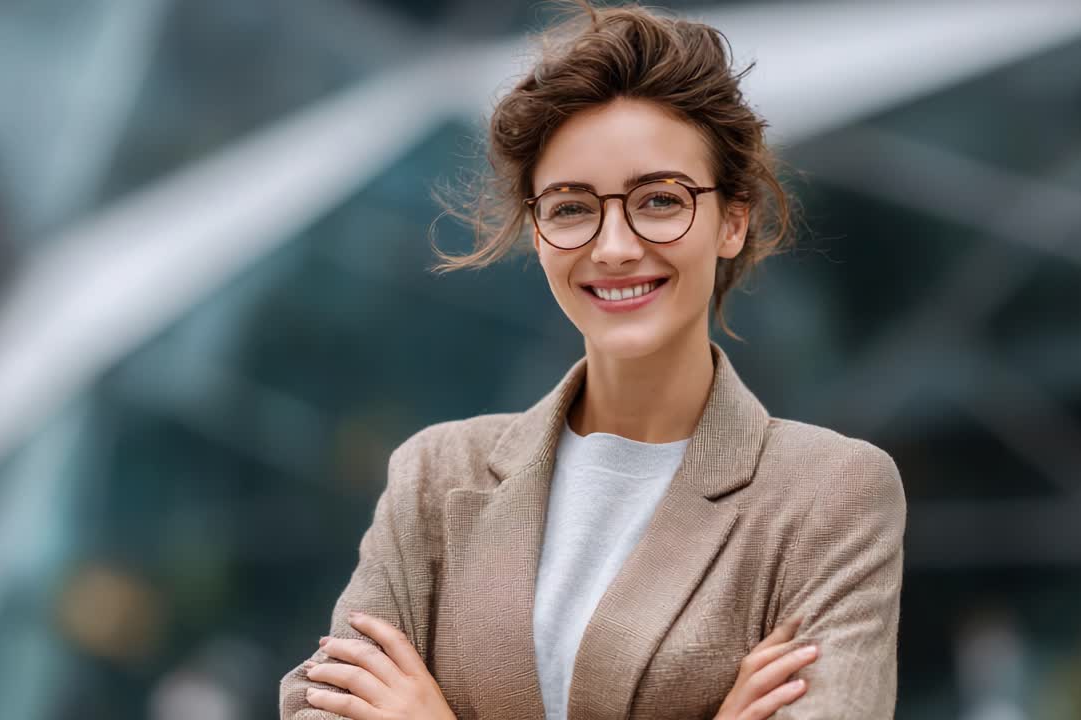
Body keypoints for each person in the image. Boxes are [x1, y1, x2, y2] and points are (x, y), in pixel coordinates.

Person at [279, 1, 906, 718]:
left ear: (733, 220)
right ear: (538, 233)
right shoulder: (435, 475)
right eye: (573, 208)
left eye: (660, 200)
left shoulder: (829, 494)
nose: (613, 246)